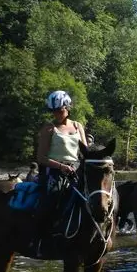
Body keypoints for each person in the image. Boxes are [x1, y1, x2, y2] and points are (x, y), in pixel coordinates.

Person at [34, 90, 88, 235]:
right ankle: (45, 234)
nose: (57, 114)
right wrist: (61, 166)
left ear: (67, 107)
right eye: (54, 111)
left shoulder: (78, 126)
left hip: (76, 168)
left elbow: (85, 152)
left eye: (60, 110)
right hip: (54, 171)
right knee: (52, 198)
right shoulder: (49, 129)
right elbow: (41, 158)